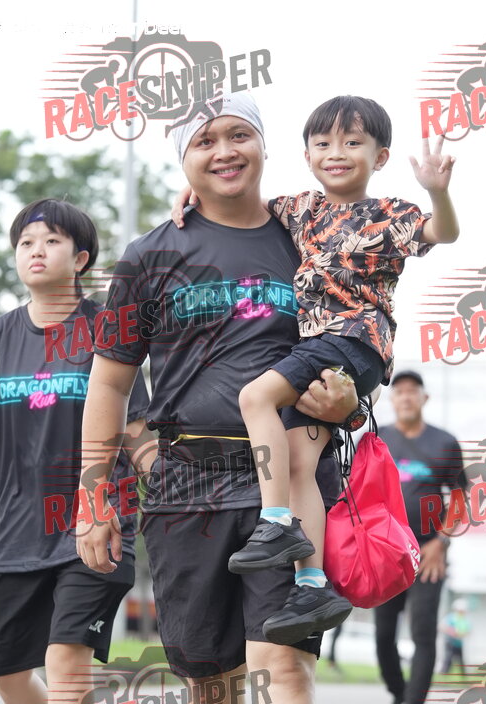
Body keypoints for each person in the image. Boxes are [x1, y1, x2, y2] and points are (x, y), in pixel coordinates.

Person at [75, 92, 361, 704]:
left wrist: (353, 403)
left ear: (264, 145)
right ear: (184, 158)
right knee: (209, 679)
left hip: (289, 483)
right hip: (184, 488)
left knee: (284, 665)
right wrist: (95, 495)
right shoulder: (149, 256)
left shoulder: (312, 240)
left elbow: (360, 341)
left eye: (239, 135)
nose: (225, 151)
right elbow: (109, 383)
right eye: (204, 141)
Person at [173, 94, 459, 645]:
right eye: (323, 143)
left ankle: (275, 521)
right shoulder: (300, 208)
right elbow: (238, 200)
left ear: (379, 157)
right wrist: (192, 190)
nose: (337, 153)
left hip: (353, 340)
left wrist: (438, 191)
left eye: (353, 143)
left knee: (254, 397)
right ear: (307, 156)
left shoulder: (390, 214)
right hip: (322, 349)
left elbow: (442, 233)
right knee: (300, 461)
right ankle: (311, 585)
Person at [0, 198, 152, 704]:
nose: (36, 251)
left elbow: (137, 430)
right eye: (26, 242)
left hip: (97, 525)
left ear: (80, 259)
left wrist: (170, 490)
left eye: (51, 241)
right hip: (15, 532)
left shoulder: (108, 331)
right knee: (4, 667)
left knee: (66, 660)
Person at [374, 370, 467, 704]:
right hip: (387, 554)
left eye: (413, 391)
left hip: (428, 555)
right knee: (383, 636)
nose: (406, 397)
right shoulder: (378, 438)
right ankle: (399, 697)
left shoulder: (444, 442)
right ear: (392, 400)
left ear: (424, 398)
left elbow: (458, 497)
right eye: (399, 391)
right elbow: (365, 491)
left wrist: (441, 542)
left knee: (423, 633)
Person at [439, 598, 471, 674]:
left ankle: (463, 674)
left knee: (460, 659)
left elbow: (468, 631)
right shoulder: (451, 617)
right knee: (448, 658)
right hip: (450, 641)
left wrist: (462, 634)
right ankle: (444, 672)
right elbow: (442, 627)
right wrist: (451, 631)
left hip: (459, 642)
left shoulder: (464, 619)